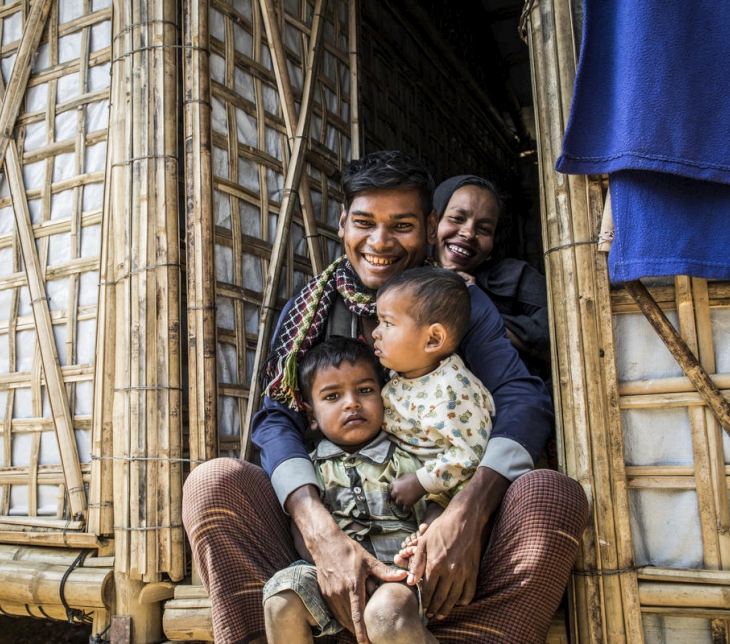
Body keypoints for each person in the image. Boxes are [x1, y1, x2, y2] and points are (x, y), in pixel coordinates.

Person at [183, 150, 589, 644]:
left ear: (430, 226)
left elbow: (522, 398)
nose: (379, 242)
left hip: (438, 543)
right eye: (364, 223)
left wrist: (468, 514)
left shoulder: (453, 300)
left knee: (552, 496)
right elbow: (276, 418)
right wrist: (318, 529)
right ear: (341, 224)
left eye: (401, 225)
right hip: (327, 544)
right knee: (213, 483)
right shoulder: (308, 311)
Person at [262, 337, 438, 644]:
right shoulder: (309, 470)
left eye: (365, 390)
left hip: (397, 575)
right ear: (312, 417)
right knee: (281, 598)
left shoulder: (407, 458)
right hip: (328, 577)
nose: (351, 402)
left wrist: (426, 538)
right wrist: (328, 568)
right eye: (332, 396)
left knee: (386, 614)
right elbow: (303, 532)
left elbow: (436, 502)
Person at [372, 267, 493, 511]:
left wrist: (421, 482)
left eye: (387, 323)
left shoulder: (451, 392)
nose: (376, 332)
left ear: (433, 339)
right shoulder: (408, 370)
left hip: (443, 487)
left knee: (441, 512)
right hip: (402, 471)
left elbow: (469, 456)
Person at [432, 175, 552, 383]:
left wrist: (473, 304)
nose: (469, 233)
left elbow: (555, 340)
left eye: (484, 229)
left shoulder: (517, 277)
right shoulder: (406, 278)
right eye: (457, 219)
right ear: (432, 224)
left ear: (493, 244)